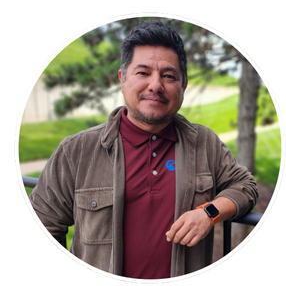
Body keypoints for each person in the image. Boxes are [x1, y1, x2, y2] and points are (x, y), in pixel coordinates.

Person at [29, 20, 258, 279]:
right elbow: (41, 230)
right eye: (143, 73)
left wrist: (209, 213)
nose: (156, 85)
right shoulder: (76, 151)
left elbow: (245, 187)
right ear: (122, 78)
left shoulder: (204, 143)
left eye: (169, 76)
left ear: (182, 86)